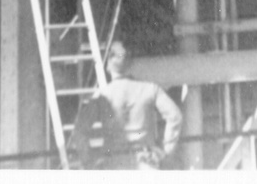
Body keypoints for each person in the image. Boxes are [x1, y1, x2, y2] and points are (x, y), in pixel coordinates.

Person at [73, 41, 182, 170]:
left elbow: (79, 130)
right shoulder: (150, 89)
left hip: (113, 163)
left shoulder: (101, 96)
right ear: (130, 64)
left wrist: (89, 161)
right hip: (146, 162)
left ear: (108, 65)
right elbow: (175, 116)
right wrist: (166, 151)